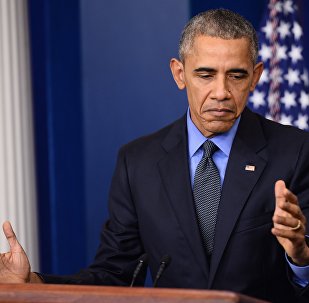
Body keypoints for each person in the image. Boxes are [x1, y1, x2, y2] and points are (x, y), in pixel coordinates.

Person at [1, 8, 309, 303]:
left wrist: (301, 256)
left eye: (236, 76)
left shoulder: (295, 152)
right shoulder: (138, 163)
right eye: (205, 74)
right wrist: (32, 283)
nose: (220, 92)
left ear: (255, 77)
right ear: (179, 73)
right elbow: (113, 276)